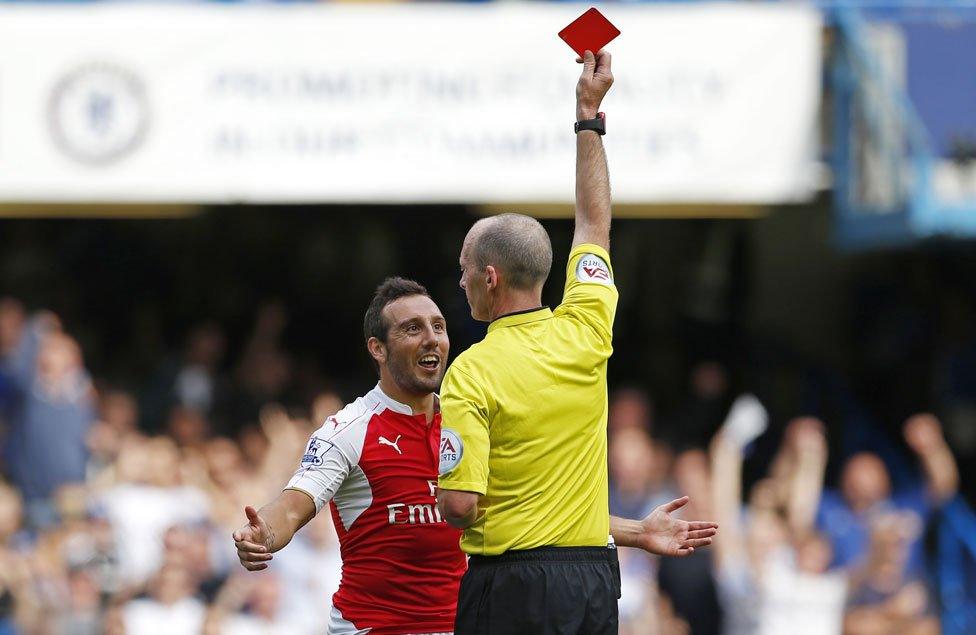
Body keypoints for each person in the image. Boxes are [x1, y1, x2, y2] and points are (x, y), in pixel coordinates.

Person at [235, 278, 715, 635]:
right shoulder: (349, 430)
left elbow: (536, 513)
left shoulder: (471, 417)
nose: (432, 339)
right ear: (377, 348)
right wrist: (264, 535)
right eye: (412, 329)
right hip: (375, 628)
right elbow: (295, 503)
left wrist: (638, 531)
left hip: (469, 624)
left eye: (439, 327)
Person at [436, 49, 717, 634]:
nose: (459, 280)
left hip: (509, 586)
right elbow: (594, 223)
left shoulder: (471, 372)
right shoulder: (587, 328)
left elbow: (459, 508)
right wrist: (589, 114)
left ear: (489, 277)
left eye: (463, 268)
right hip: (593, 580)